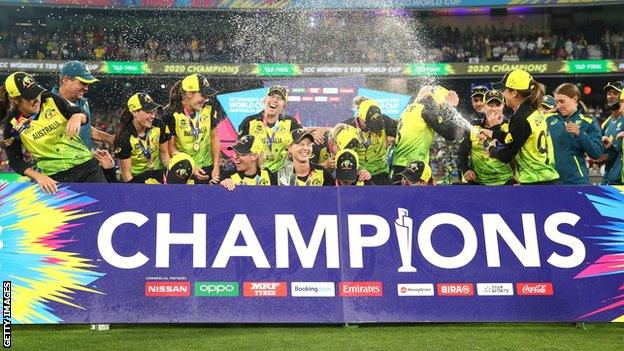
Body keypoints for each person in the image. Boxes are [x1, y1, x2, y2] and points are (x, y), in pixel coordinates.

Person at [1, 72, 106, 194]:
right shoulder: (12, 125)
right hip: (54, 179)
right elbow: (15, 160)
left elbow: (83, 115)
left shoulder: (50, 98)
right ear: (15, 99)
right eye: (29, 96)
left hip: (88, 169)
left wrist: (77, 116)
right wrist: (38, 176)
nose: (36, 100)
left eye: (36, 93)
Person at [482, 69, 559, 185]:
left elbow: (506, 155)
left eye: (504, 90)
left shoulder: (519, 118)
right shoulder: (535, 110)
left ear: (514, 93)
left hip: (534, 180)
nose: (503, 94)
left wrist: (491, 150)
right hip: (546, 177)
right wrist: (492, 133)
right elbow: (515, 137)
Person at [391, 85, 460, 183]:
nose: (440, 107)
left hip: (400, 164)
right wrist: (450, 107)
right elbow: (451, 134)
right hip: (413, 168)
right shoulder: (426, 108)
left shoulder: (409, 109)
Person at [164, 73, 222, 184]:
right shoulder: (171, 113)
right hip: (184, 170)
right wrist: (191, 166)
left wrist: (216, 167)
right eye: (203, 95)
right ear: (190, 93)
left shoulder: (210, 108)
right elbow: (171, 148)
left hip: (208, 168)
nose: (206, 99)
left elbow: (214, 138)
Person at [238, 85, 304, 174]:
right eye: (272, 96)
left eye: (279, 98)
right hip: (256, 174)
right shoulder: (249, 122)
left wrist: (313, 131)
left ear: (284, 105)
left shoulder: (291, 123)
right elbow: (240, 152)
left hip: (281, 175)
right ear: (265, 99)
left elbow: (300, 145)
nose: (274, 100)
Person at [547, 83, 603, 185]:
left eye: (562, 101)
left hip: (577, 182)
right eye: (556, 102)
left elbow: (597, 153)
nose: (558, 106)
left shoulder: (588, 121)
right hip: (551, 182)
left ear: (575, 99)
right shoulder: (548, 120)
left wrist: (579, 134)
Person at [458, 90, 514, 185]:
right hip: (478, 184)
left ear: (503, 106)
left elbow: (510, 154)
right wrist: (466, 170)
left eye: (497, 105)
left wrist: (494, 128)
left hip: (505, 183)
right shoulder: (473, 127)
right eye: (490, 105)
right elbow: (461, 153)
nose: (494, 109)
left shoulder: (511, 126)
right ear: (484, 106)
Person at [52, 60, 114, 148]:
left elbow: (86, 129)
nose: (86, 88)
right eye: (83, 83)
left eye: (87, 84)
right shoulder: (47, 103)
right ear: (66, 80)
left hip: (85, 160)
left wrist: (110, 139)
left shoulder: (83, 102)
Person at [114, 93, 170, 183]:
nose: (153, 116)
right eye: (148, 112)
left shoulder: (159, 126)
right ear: (135, 112)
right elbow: (126, 175)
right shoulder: (124, 138)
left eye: (154, 112)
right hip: (136, 180)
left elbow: (164, 153)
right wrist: (139, 191)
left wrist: (170, 176)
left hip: (157, 176)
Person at [342, 98, 398, 184]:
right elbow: (343, 155)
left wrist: (395, 139)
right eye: (369, 123)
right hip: (360, 173)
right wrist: (313, 132)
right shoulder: (347, 128)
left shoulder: (384, 121)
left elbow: (402, 131)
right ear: (361, 117)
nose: (373, 128)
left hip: (381, 171)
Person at [599, 81, 624, 185]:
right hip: (609, 176)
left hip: (620, 178)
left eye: (615, 93)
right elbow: (604, 152)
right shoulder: (605, 124)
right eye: (609, 93)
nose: (611, 96)